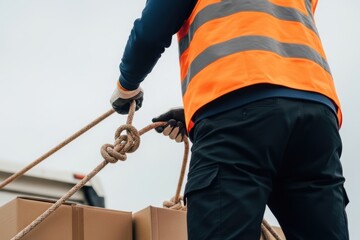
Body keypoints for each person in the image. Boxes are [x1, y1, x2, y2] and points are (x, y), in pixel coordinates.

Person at [109, 0, 349, 239]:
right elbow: (269, 29)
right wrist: (196, 110)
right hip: (315, 111)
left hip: (234, 118)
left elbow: (153, 28)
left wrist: (127, 86)